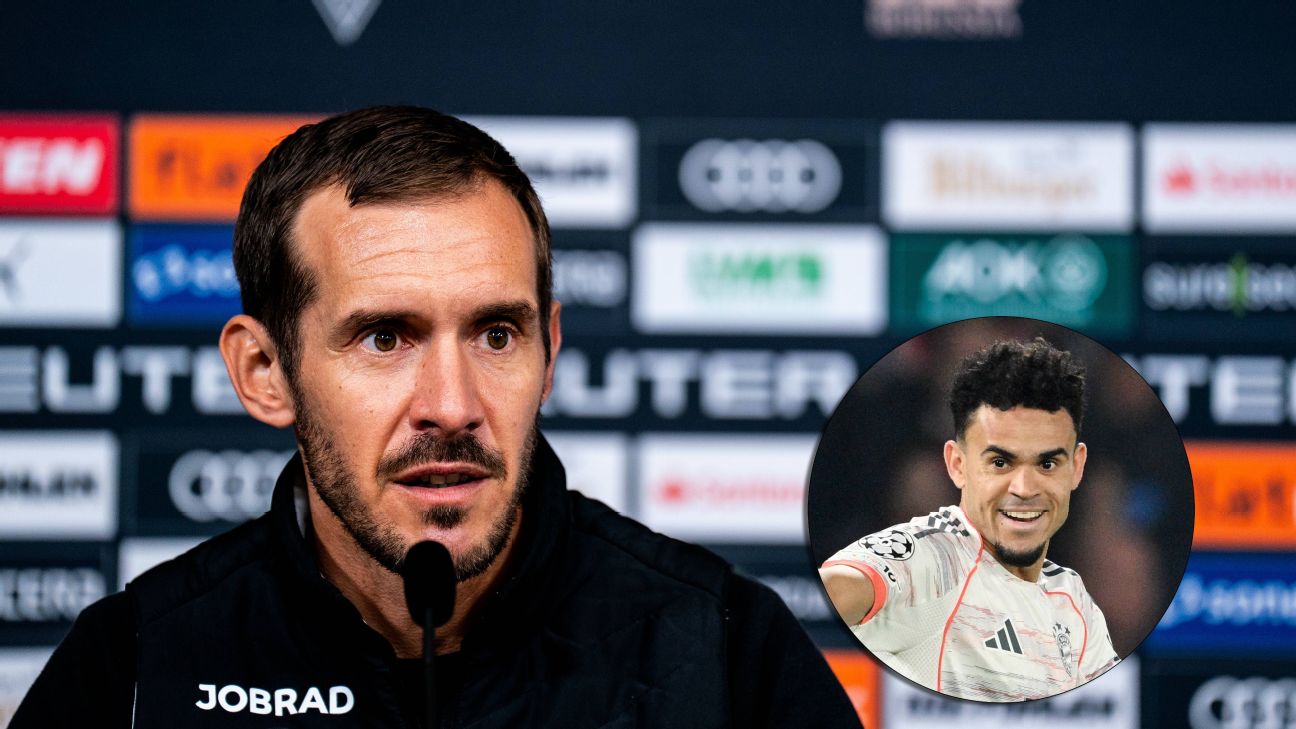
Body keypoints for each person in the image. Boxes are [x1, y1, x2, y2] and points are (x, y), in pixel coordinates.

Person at [13, 106, 861, 728]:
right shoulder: (136, 665)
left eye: (496, 334)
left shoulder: (727, 651)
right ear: (265, 372)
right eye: (385, 337)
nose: (452, 406)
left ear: (549, 352)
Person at [819, 338, 1119, 702]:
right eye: (1000, 462)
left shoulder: (1073, 598)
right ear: (957, 465)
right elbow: (839, 587)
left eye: (1047, 463)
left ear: (1077, 467)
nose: (1024, 488)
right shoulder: (928, 560)